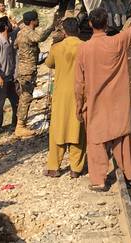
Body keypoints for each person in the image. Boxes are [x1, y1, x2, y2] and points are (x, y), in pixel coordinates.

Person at [75, 0, 131, 191]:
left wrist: (78, 107)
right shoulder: (118, 42)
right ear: (107, 24)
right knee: (123, 138)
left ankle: (98, 181)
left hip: (95, 103)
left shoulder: (84, 50)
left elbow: (78, 83)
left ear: (90, 24)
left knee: (96, 141)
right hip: (118, 102)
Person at [44, 18, 85, 179]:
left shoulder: (57, 47)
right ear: (78, 30)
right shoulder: (84, 47)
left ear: (65, 31)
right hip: (79, 94)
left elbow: (48, 63)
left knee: (57, 131)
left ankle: (54, 167)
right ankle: (76, 168)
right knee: (78, 131)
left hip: (60, 95)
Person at [13, 10, 58, 138]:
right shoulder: (28, 33)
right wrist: (52, 26)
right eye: (37, 19)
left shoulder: (20, 33)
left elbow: (16, 45)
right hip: (28, 70)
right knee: (26, 98)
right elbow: (40, 37)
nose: (38, 21)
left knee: (23, 97)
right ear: (32, 21)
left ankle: (20, 125)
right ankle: (20, 126)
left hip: (23, 69)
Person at [0, 20, 19, 131]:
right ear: (6, 27)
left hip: (10, 77)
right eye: (9, 23)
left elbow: (18, 30)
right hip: (2, 79)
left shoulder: (10, 39)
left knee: (16, 102)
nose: (11, 25)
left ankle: (15, 124)